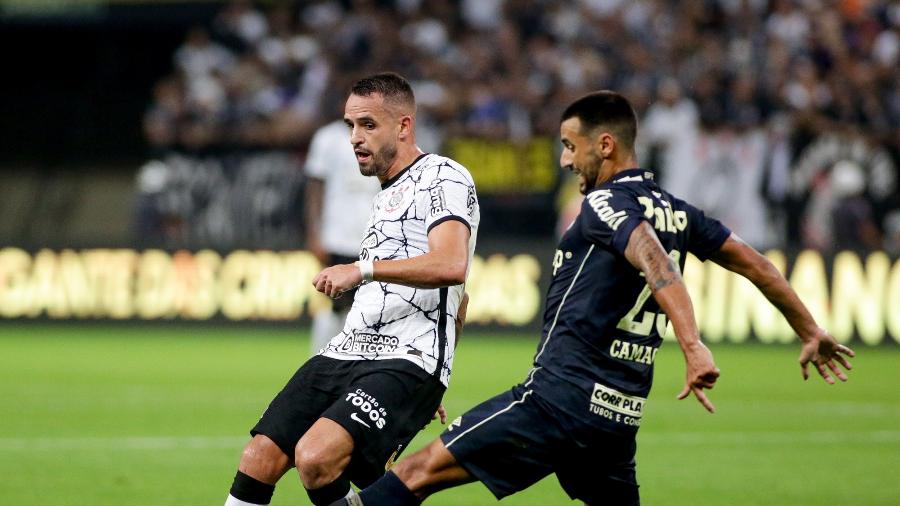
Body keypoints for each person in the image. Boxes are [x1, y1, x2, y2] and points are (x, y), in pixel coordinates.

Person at [334, 91, 855, 506]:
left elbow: (654, 261)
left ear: (604, 146)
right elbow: (758, 264)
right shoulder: (678, 210)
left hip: (557, 400)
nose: (564, 160)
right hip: (615, 417)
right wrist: (809, 329)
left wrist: (693, 345)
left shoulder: (605, 204)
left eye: (569, 145)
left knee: (414, 475)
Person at [224, 72, 480, 506]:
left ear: (403, 126)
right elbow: (462, 301)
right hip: (346, 350)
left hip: (405, 357)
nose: (355, 138)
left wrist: (361, 270)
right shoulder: (384, 195)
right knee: (258, 457)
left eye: (368, 125)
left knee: (316, 457)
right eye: (349, 125)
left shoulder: (443, 176)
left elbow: (452, 265)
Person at [304, 117, 381, 354]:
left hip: (375, 235)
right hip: (337, 234)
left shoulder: (382, 135)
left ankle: (354, 359)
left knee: (371, 304)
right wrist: (314, 232)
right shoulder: (327, 137)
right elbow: (315, 188)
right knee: (336, 302)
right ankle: (320, 357)